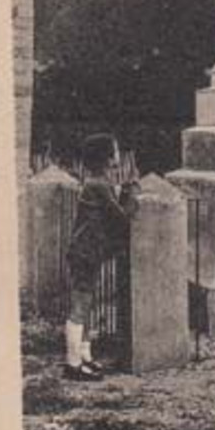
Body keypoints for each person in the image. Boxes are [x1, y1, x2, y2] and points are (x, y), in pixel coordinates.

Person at [64, 133, 138, 381]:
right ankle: (72, 365)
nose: (118, 155)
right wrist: (132, 194)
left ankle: (84, 358)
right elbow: (121, 218)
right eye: (115, 151)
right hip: (85, 254)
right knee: (80, 307)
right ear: (107, 158)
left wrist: (123, 191)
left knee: (87, 306)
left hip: (87, 253)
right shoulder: (98, 185)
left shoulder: (98, 182)